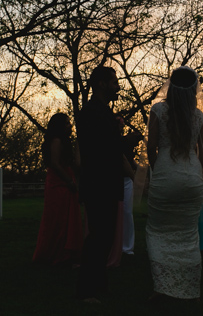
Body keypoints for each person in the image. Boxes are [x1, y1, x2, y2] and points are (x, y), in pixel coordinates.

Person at [146, 66, 203, 301]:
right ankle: (189, 287)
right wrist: (193, 170)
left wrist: (158, 167)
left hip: (164, 175)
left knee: (159, 230)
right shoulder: (198, 116)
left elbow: (151, 147)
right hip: (192, 178)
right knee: (187, 233)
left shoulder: (158, 110)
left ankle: (161, 288)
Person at [76, 66, 124, 302]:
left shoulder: (103, 111)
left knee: (105, 237)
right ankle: (87, 290)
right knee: (97, 237)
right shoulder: (92, 112)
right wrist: (124, 141)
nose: (118, 86)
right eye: (115, 82)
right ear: (102, 84)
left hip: (106, 183)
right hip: (98, 184)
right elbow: (100, 150)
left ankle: (98, 283)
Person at [33, 113, 83, 265]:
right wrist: (68, 181)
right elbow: (55, 163)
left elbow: (76, 163)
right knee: (57, 219)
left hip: (67, 180)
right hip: (58, 182)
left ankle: (66, 253)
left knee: (68, 218)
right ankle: (54, 254)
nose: (70, 126)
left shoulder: (66, 141)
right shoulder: (56, 140)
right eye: (67, 123)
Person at [121, 131, 142, 255]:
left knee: (127, 212)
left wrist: (141, 169)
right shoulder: (122, 142)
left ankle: (127, 246)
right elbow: (124, 161)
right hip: (122, 178)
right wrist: (135, 178)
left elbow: (130, 160)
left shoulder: (130, 145)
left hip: (126, 180)